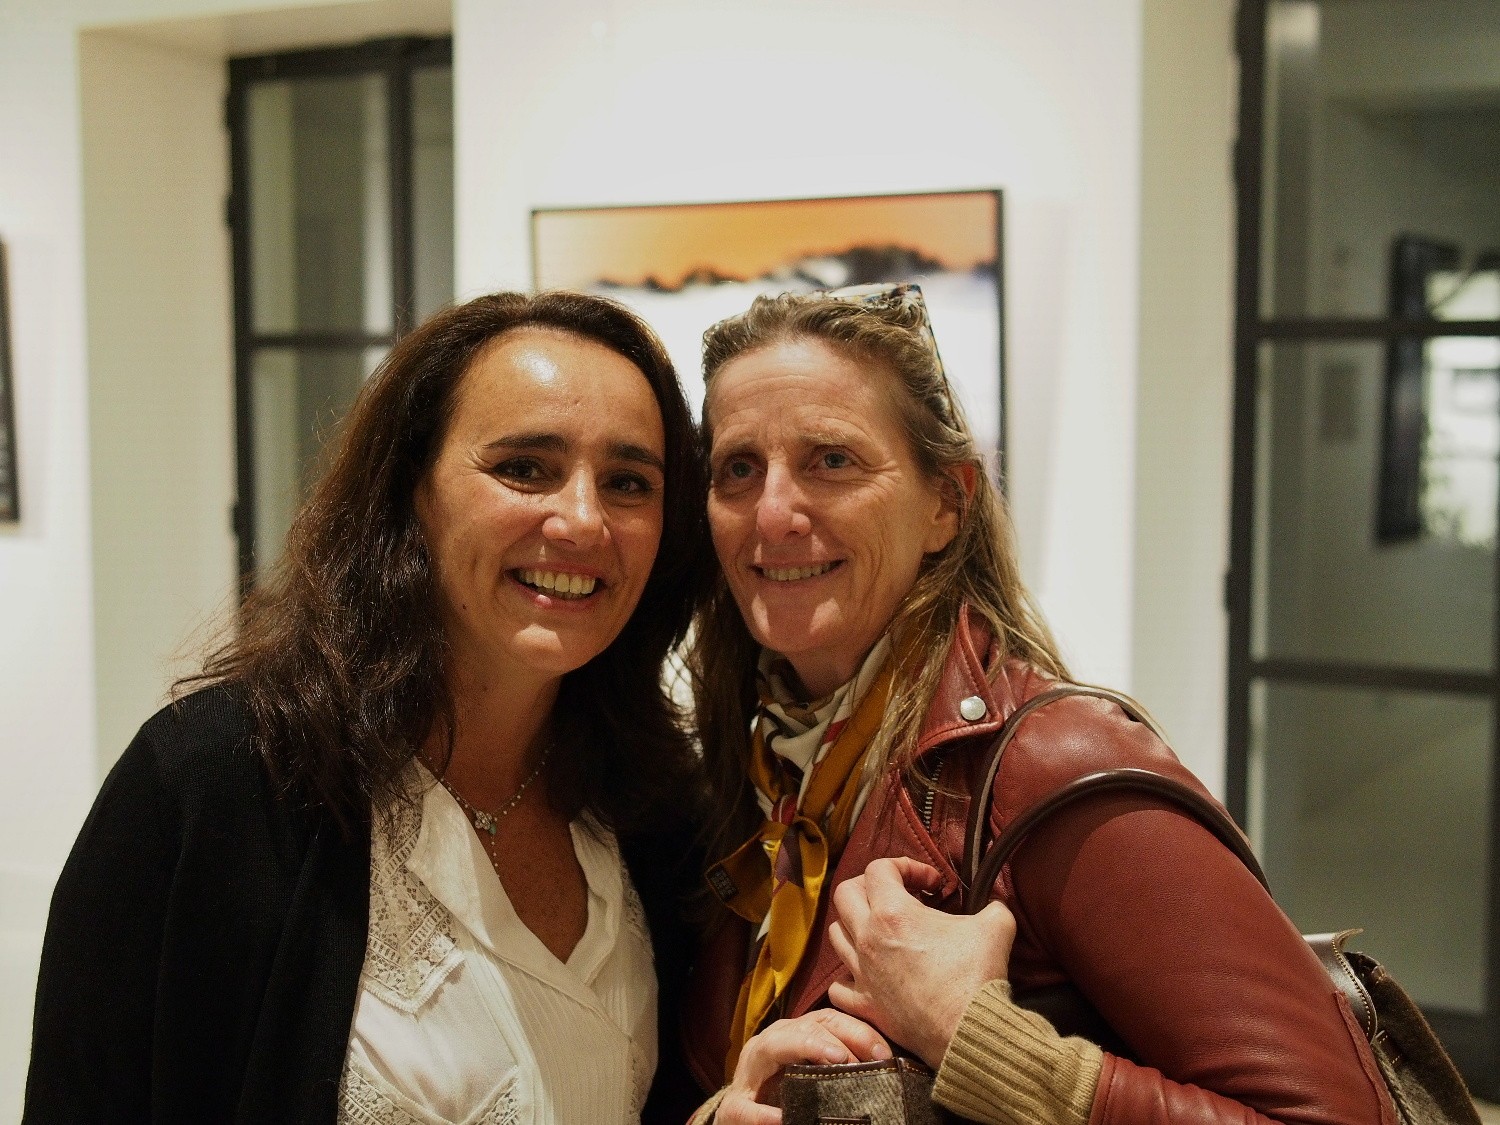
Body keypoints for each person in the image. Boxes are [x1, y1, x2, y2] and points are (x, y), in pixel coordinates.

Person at [683, 284, 1397, 1124]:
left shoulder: (1056, 766)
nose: (772, 513)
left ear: (946, 502)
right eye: (739, 468)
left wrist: (978, 1039)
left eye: (831, 460)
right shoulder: (758, 772)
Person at [24, 291, 708, 1124]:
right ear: (412, 488)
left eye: (628, 482)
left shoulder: (658, 817)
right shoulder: (210, 784)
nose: (583, 520)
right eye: (525, 468)